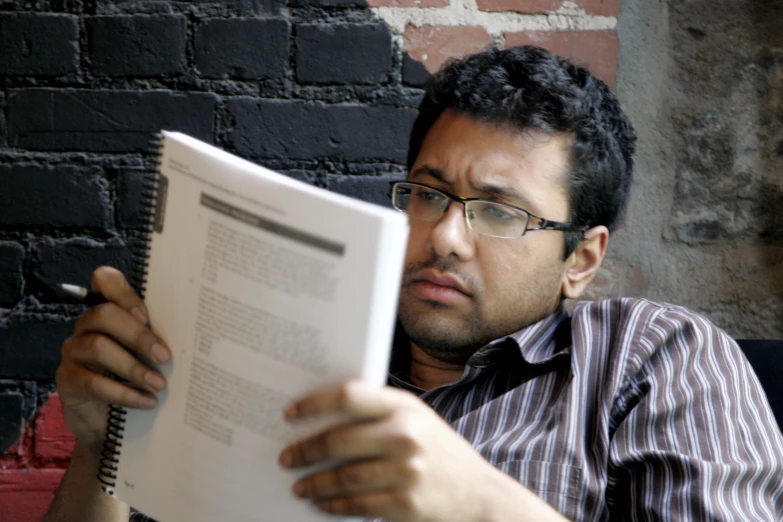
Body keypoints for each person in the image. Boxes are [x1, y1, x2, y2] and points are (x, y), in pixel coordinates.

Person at [44, 45, 783, 522]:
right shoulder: (308, 344)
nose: (445, 238)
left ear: (581, 259)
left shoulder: (655, 360)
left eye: (500, 212)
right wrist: (100, 445)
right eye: (429, 195)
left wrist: (481, 507)